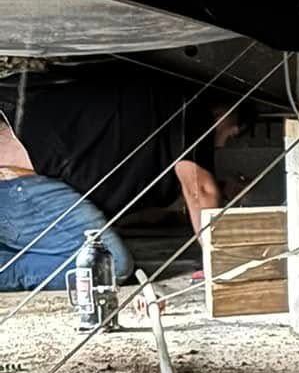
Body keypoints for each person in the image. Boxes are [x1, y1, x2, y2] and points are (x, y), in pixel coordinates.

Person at [0, 65, 230, 292]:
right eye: (236, 128)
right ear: (223, 112)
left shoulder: (156, 98)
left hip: (17, 193)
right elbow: (200, 190)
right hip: (15, 188)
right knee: (110, 266)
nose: (228, 139)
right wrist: (224, 262)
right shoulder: (194, 112)